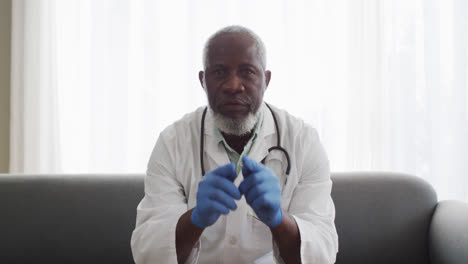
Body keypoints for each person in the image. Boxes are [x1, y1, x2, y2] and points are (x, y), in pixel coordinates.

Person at [131, 25, 338, 263]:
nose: (233, 86)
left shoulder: (304, 141)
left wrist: (279, 219)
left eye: (247, 72)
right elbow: (148, 253)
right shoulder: (172, 142)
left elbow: (322, 253)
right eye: (219, 72)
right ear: (202, 80)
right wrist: (196, 218)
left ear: (266, 79)